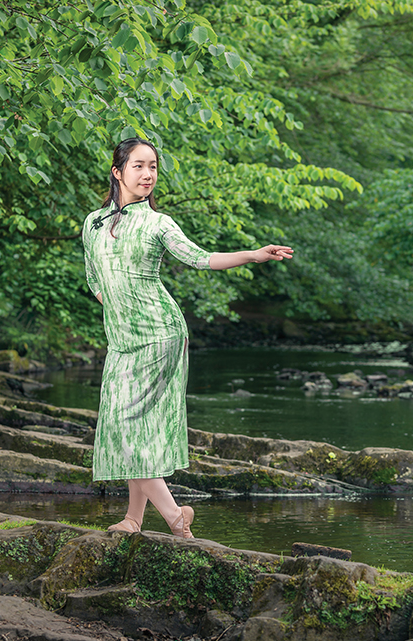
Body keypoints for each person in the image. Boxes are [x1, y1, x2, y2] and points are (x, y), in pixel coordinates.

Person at [82, 137, 293, 538]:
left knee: (128, 427)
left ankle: (175, 516)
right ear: (118, 171)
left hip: (160, 333)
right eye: (139, 166)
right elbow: (94, 276)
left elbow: (201, 258)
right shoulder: (93, 222)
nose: (148, 175)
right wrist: (118, 304)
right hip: (122, 337)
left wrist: (252, 254)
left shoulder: (158, 223)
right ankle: (135, 518)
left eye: (154, 167)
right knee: (128, 428)